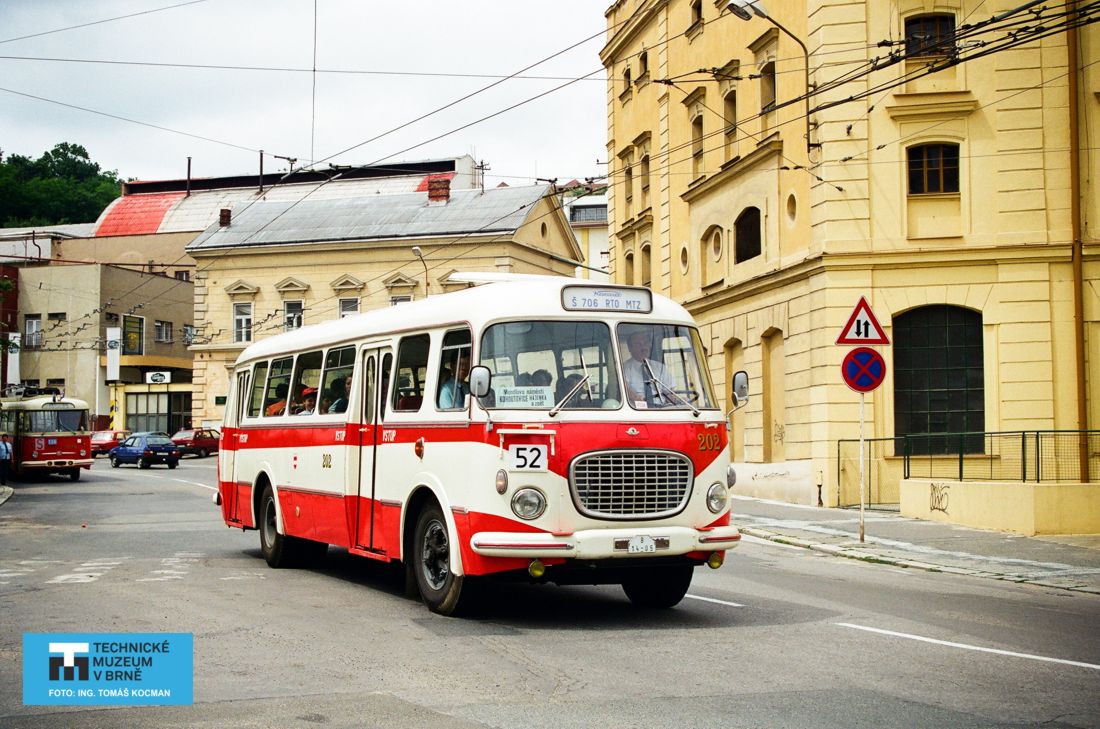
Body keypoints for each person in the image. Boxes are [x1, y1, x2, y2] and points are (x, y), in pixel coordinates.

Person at [621, 329, 670, 406]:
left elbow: (669, 392)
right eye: (638, 344)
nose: (643, 347)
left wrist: (676, 399)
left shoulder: (660, 367)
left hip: (661, 408)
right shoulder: (624, 368)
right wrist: (636, 398)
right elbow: (626, 389)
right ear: (630, 348)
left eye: (646, 343)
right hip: (637, 409)